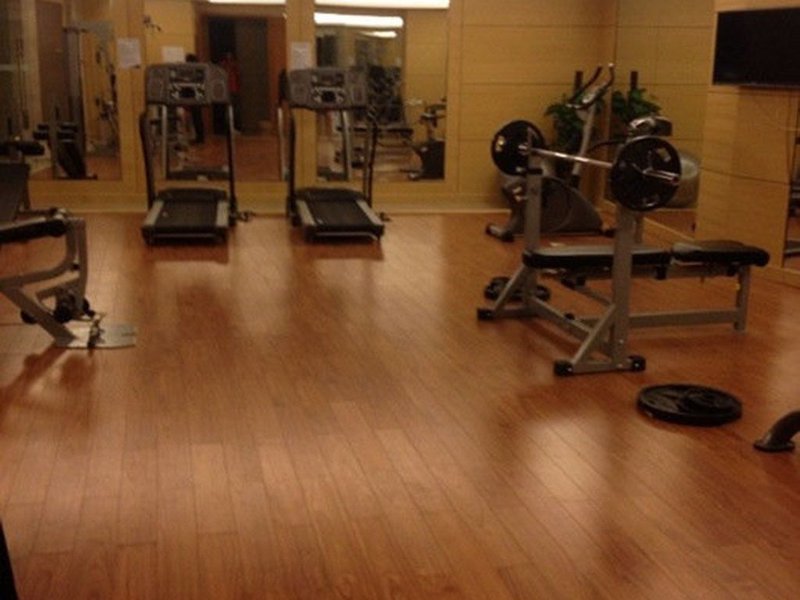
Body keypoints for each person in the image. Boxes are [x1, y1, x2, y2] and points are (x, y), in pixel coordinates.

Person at [185, 53, 205, 144]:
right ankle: (199, 137)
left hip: (195, 96)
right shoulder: (197, 70)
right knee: (196, 117)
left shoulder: (195, 71)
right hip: (196, 96)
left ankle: (199, 137)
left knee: (196, 117)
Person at [219, 51, 242, 133]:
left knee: (236, 110)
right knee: (228, 110)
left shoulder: (235, 66)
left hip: (235, 90)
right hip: (227, 91)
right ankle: (228, 129)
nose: (229, 59)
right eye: (228, 57)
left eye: (231, 57)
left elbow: (239, 76)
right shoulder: (223, 66)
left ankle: (235, 127)